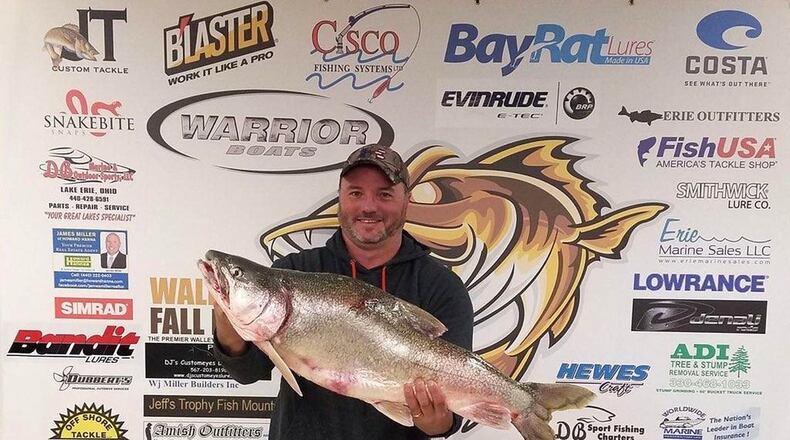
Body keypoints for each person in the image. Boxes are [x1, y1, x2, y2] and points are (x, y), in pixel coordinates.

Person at [213, 144, 474, 440]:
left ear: (407, 202)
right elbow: (247, 373)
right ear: (341, 198)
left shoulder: (442, 287)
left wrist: (435, 422)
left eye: (384, 194)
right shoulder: (297, 270)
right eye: (356, 193)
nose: (368, 206)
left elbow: (446, 421)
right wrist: (226, 314)